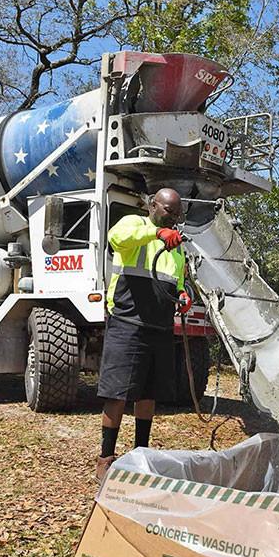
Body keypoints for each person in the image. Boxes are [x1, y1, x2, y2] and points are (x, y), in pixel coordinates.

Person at [95, 187, 192, 483]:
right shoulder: (134, 224)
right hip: (127, 322)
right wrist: (156, 234)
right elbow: (118, 239)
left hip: (160, 326)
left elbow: (176, 278)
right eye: (168, 211)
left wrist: (182, 293)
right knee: (117, 392)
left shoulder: (176, 246)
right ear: (152, 205)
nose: (172, 218)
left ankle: (141, 455)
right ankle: (106, 459)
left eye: (177, 214)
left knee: (149, 393)